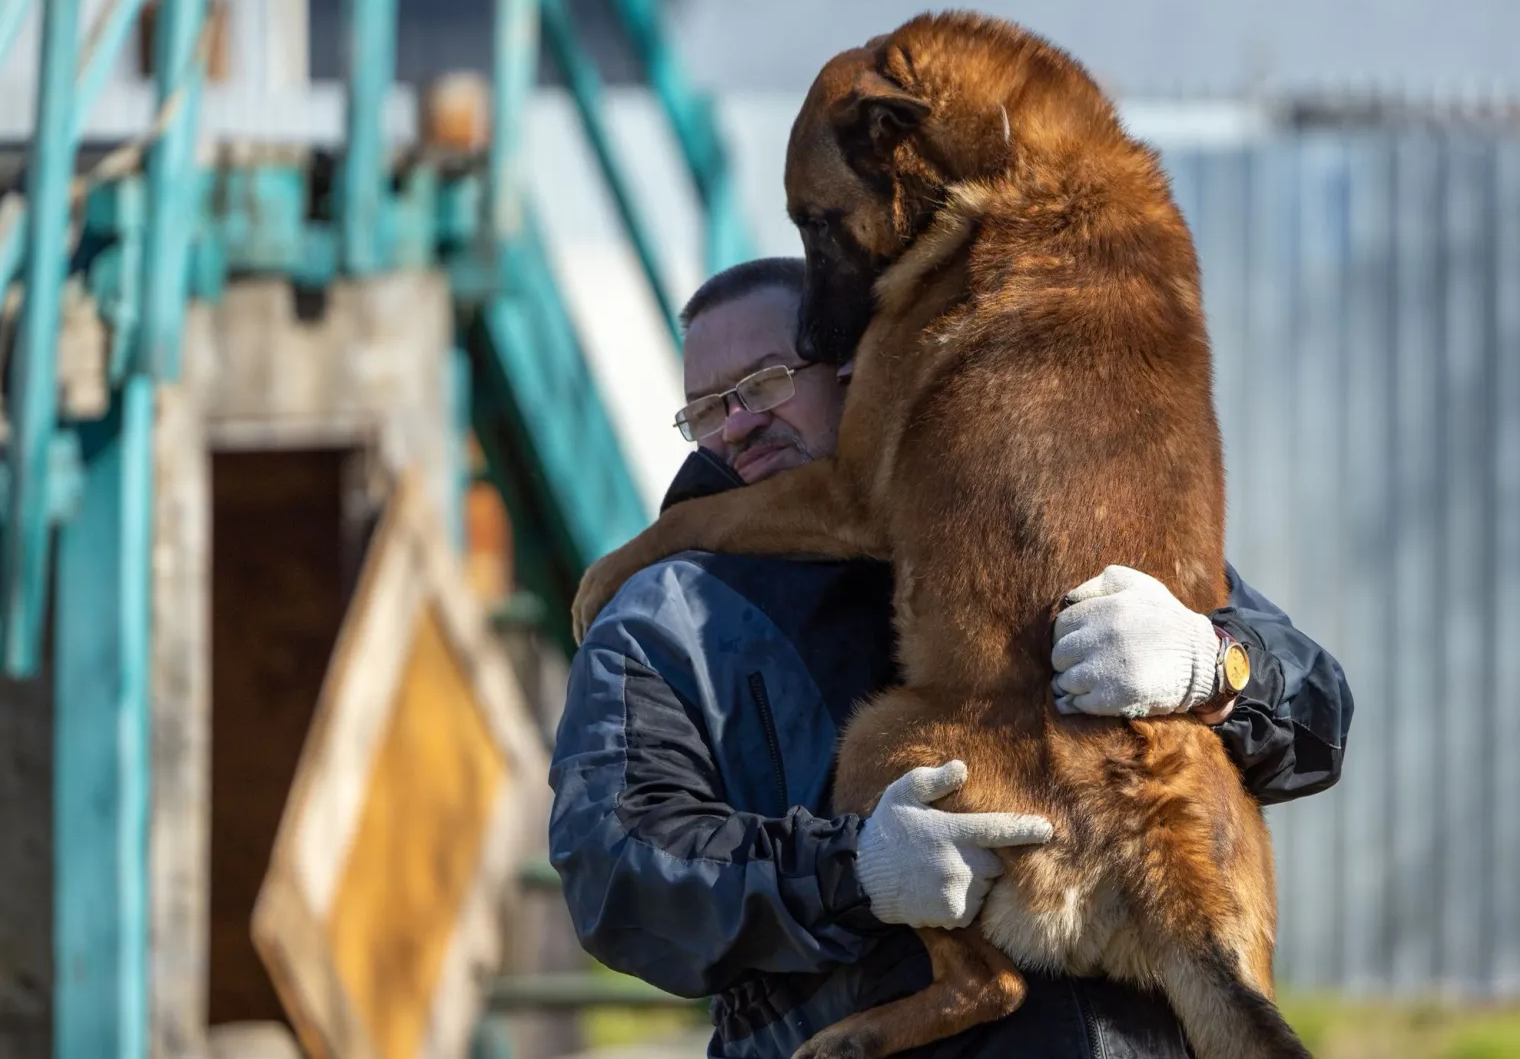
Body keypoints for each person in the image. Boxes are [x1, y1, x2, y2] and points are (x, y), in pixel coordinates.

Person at [550, 258, 1353, 1059]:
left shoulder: (1035, 502)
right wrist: (849, 873)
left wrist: (1213, 669)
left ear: (857, 366)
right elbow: (617, 872)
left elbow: (1319, 721)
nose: (735, 426)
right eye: (704, 409)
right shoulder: (664, 615)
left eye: (764, 385)